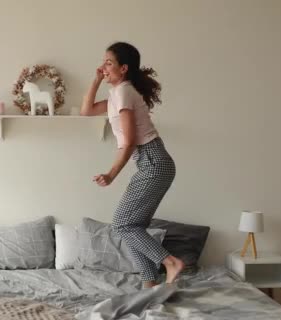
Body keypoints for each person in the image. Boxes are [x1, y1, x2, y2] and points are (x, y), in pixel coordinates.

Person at [80, 42, 185, 287]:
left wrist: (111, 174)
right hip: (152, 162)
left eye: (109, 63)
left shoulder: (124, 93)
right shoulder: (117, 94)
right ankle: (150, 285)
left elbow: (128, 142)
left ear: (123, 68)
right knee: (132, 226)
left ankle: (170, 262)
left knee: (123, 224)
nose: (103, 67)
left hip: (153, 160)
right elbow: (86, 112)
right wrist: (96, 80)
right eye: (103, 62)